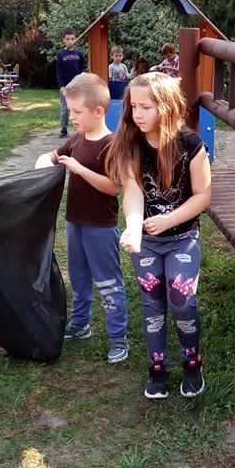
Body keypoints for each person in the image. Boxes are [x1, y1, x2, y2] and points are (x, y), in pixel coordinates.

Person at [105, 72, 211, 399]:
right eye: (133, 106)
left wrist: (168, 221)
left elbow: (203, 196)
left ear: (166, 107)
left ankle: (192, 363)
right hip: (147, 244)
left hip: (183, 239)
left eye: (146, 107)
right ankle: (157, 367)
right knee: (152, 306)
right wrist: (134, 225)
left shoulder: (191, 145)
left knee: (181, 301)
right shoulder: (130, 145)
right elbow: (133, 191)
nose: (137, 114)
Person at [35, 73, 130, 363]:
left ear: (98, 111)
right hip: (73, 222)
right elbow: (53, 156)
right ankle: (80, 323)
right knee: (78, 277)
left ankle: (118, 336)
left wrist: (79, 169)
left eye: (77, 112)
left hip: (100, 227)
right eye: (71, 111)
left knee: (108, 282)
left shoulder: (111, 144)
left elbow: (113, 187)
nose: (72, 117)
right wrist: (43, 161)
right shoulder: (76, 139)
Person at [56, 29, 86, 138]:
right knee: (65, 109)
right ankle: (64, 129)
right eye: (68, 39)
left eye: (72, 39)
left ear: (76, 39)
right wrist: (61, 86)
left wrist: (82, 77)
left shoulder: (78, 54)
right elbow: (59, 72)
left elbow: (82, 68)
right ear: (63, 40)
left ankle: (81, 128)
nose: (70, 41)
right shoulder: (60, 54)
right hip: (66, 87)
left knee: (79, 107)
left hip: (77, 86)